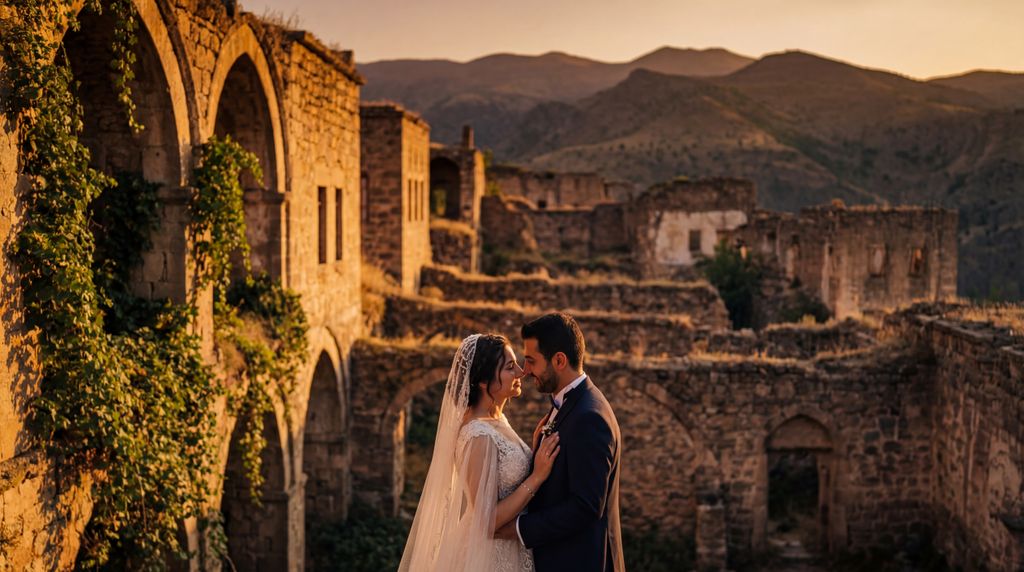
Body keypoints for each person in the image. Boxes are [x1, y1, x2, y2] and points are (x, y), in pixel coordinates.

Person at [398, 333, 561, 572]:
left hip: (512, 547)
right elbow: (486, 522)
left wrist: (533, 448)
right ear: (484, 381)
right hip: (489, 556)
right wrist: (536, 477)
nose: (521, 372)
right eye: (510, 367)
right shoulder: (478, 435)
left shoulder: (496, 418)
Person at [496, 312, 625, 572]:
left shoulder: (589, 418)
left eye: (531, 361)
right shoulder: (570, 403)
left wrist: (519, 529)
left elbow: (586, 506)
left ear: (559, 360)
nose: (526, 370)